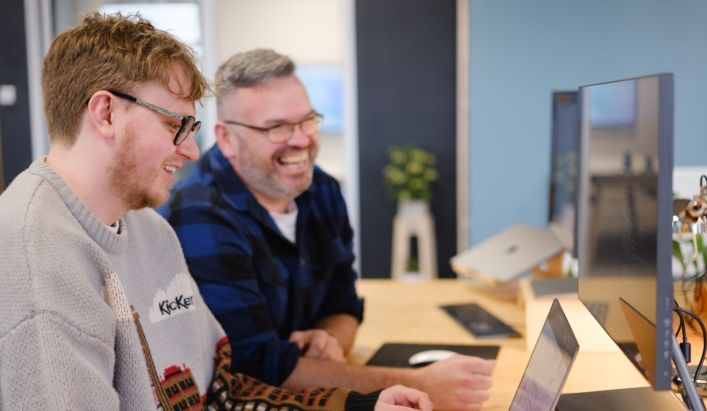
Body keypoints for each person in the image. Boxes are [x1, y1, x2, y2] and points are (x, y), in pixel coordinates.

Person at [0, 13, 432, 411]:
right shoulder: (37, 263)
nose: (190, 151)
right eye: (175, 126)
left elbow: (221, 391)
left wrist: (361, 405)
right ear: (106, 112)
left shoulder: (150, 229)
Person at [159, 49, 495, 410]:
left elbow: (344, 302)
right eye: (277, 127)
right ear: (226, 139)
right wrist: (420, 383)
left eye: (307, 121)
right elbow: (257, 369)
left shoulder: (321, 190)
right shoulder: (198, 214)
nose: (302, 140)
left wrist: (331, 339)